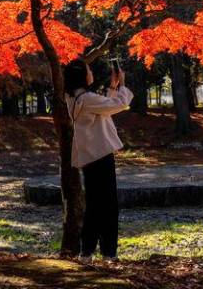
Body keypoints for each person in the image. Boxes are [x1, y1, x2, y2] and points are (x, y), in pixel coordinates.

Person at [64, 58, 133, 261]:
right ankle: (109, 253)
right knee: (109, 205)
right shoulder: (88, 98)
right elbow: (118, 104)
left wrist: (113, 87)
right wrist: (123, 85)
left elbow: (104, 107)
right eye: (88, 70)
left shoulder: (74, 98)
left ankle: (87, 252)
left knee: (94, 204)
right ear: (82, 76)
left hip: (89, 156)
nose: (91, 72)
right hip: (101, 156)